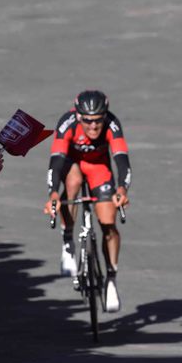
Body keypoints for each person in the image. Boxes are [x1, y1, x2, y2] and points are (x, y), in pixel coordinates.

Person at [44, 90, 131, 313]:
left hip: (98, 168)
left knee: (108, 224)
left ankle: (111, 279)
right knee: (73, 182)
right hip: (72, 164)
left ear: (105, 116)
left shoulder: (112, 124)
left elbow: (122, 160)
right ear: (78, 116)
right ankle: (68, 241)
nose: (93, 126)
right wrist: (53, 193)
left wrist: (122, 189)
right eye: (87, 121)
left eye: (98, 120)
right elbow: (56, 162)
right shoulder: (67, 123)